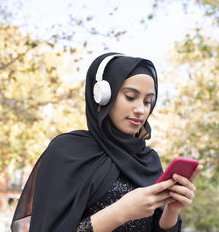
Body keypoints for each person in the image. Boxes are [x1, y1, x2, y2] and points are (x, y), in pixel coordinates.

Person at [11, 52, 203, 232]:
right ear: (102, 96)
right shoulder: (67, 151)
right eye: (130, 97)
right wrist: (120, 212)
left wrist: (172, 209)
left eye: (147, 101)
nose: (141, 110)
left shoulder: (148, 160)